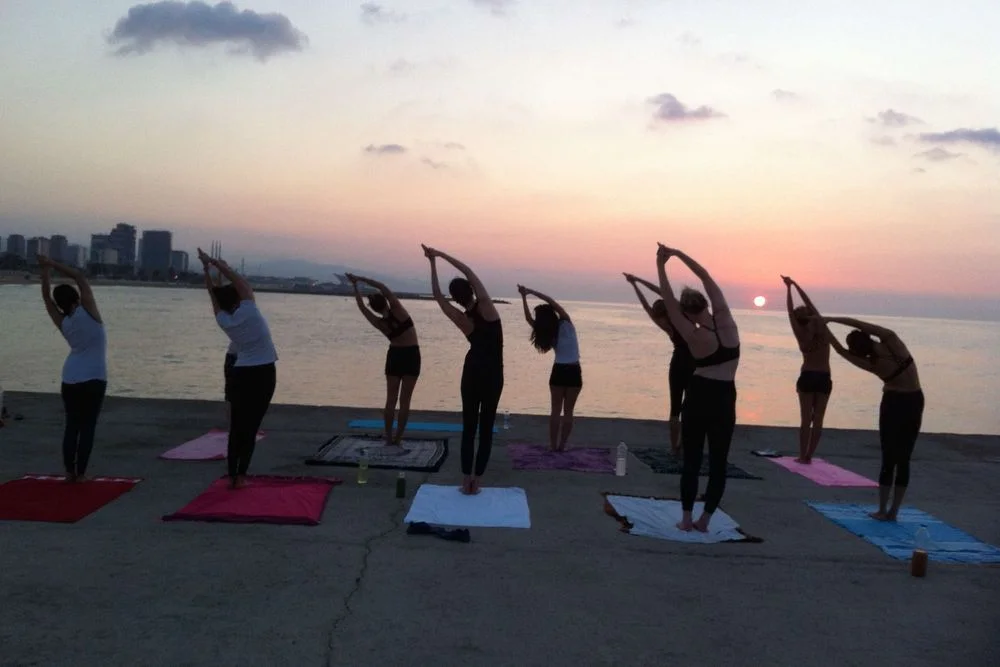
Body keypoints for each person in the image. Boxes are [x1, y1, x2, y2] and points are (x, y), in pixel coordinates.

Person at [656, 244, 740, 532]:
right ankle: (705, 520)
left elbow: (667, 300)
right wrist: (679, 254)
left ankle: (686, 519)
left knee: (691, 460)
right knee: (718, 462)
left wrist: (661, 264)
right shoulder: (727, 320)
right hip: (725, 397)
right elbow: (704, 275)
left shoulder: (692, 333)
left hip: (699, 395)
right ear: (706, 303)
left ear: (687, 312)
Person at [820, 315, 923, 522]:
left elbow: (839, 350)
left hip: (893, 403)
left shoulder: (872, 363)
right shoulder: (891, 340)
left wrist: (823, 327)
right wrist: (831, 319)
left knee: (889, 458)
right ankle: (893, 511)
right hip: (914, 400)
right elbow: (859, 324)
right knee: (904, 458)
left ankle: (882, 509)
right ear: (867, 337)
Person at [423, 244, 503, 495]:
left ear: (456, 299)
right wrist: (440, 255)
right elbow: (468, 271)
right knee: (486, 428)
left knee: (469, 428)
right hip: (492, 375)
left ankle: (465, 479)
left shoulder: (462, 319)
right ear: (471, 290)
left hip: (471, 373)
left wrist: (432, 263)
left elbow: (437, 297)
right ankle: (477, 481)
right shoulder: (487, 307)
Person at [197, 249, 277, 490]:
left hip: (241, 373)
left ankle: (233, 475)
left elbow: (212, 294)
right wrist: (216, 263)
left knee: (237, 428)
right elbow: (240, 282)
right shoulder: (250, 310)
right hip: (263, 373)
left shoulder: (224, 321)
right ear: (237, 299)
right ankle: (241, 475)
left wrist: (206, 269)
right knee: (251, 427)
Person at [37, 255, 107, 482]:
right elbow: (79, 276)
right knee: (88, 427)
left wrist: (45, 271)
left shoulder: (63, 322)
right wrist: (51, 263)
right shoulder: (90, 313)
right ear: (76, 298)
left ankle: (69, 472)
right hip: (94, 378)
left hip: (70, 378)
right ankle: (81, 473)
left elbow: (46, 298)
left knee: (72, 426)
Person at [346, 272, 421, 446]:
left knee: (391, 399)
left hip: (395, 356)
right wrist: (360, 279)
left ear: (375, 308)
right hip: (411, 355)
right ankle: (398, 438)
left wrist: (355, 287)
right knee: (405, 401)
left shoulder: (379, 323)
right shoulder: (399, 310)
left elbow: (362, 308)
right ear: (386, 302)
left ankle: (388, 438)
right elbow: (382, 287)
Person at [624, 273, 695, 454]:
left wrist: (634, 285)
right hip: (694, 363)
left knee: (675, 408)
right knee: (690, 407)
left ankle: (674, 448)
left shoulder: (665, 325)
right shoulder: (683, 317)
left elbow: (645, 306)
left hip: (677, 363)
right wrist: (638, 280)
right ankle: (683, 444)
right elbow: (661, 291)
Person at [517, 285, 582, 451]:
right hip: (574, 371)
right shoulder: (566, 322)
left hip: (558, 371)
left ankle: (553, 446)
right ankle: (562, 446)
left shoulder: (548, 332)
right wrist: (531, 292)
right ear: (552, 314)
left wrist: (523, 297)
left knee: (555, 411)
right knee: (568, 412)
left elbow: (528, 319)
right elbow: (550, 301)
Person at [781, 276, 832, 463]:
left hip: (808, 375)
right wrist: (794, 285)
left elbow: (789, 311)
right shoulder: (822, 327)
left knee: (805, 419)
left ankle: (803, 456)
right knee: (818, 419)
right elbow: (808, 301)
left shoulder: (800, 333)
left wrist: (788, 289)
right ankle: (809, 455)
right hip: (824, 376)